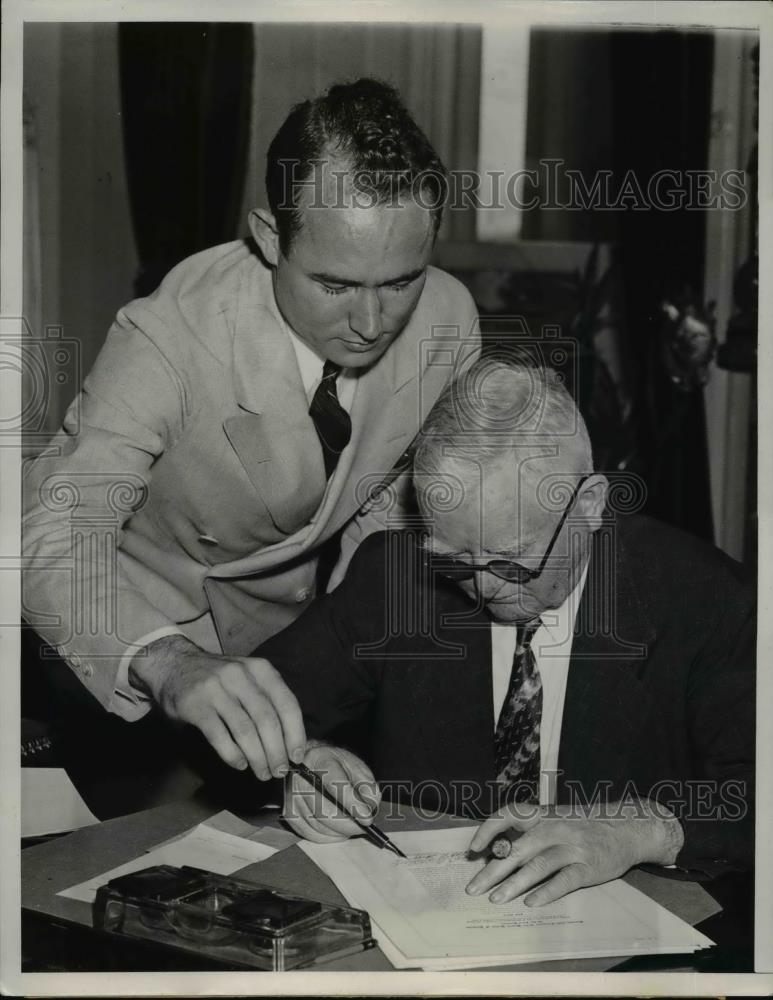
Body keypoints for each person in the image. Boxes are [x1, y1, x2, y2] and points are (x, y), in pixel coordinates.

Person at [21, 78, 479, 784]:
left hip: (296, 642)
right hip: (137, 641)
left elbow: (388, 506)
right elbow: (50, 535)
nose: (370, 322)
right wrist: (170, 663)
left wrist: (351, 669)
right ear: (270, 237)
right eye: (333, 284)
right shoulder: (169, 337)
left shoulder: (448, 318)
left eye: (398, 281)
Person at [255, 359, 754, 906]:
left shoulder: (705, 597)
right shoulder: (396, 577)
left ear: (588, 506)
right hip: (424, 921)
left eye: (513, 561)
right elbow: (251, 706)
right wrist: (307, 765)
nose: (485, 589)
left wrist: (637, 828)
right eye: (454, 561)